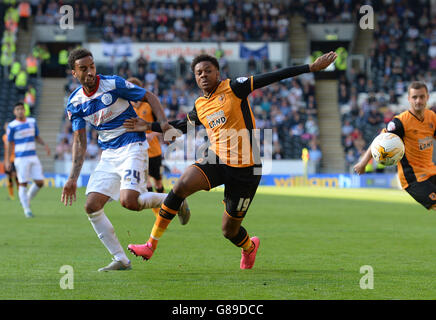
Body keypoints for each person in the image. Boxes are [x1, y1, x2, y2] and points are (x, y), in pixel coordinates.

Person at [124, 51, 337, 269]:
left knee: (229, 230)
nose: (204, 75)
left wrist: (309, 68)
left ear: (218, 73)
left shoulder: (234, 88)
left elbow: (272, 76)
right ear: (195, 78)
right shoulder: (200, 105)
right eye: (199, 73)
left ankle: (249, 248)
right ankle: (151, 244)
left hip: (246, 169)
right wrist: (148, 125)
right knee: (180, 186)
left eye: (208, 71)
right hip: (216, 160)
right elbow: (180, 125)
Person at [60, 48, 190, 272]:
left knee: (129, 201)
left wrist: (165, 125)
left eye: (92, 66)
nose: (90, 71)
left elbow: (149, 96)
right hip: (109, 155)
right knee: (91, 205)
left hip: (132, 145)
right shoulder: (75, 103)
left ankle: (175, 200)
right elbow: (79, 142)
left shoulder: (113, 84)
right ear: (74, 73)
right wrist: (73, 178)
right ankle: (121, 259)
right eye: (83, 68)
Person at [354, 81, 436, 210]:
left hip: (432, 171)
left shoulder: (432, 117)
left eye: (421, 97)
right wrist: (363, 163)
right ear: (408, 99)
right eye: (414, 97)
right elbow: (379, 140)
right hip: (413, 178)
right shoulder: (400, 122)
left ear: (428, 97)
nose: (418, 101)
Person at [127, 77, 165, 217]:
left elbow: (162, 125)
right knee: (146, 182)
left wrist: (152, 135)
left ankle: (165, 208)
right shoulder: (127, 107)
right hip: (139, 151)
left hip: (154, 150)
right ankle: (158, 215)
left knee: (158, 182)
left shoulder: (149, 106)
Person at [5, 102, 50, 217]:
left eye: (21, 109)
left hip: (33, 156)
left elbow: (36, 136)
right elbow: (9, 144)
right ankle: (27, 210)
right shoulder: (12, 125)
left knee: (40, 182)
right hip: (21, 158)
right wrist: (7, 161)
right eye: (17, 109)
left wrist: (44, 144)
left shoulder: (32, 122)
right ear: (14, 112)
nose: (20, 111)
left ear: (24, 110)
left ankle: (26, 199)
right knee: (23, 183)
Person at [2, 122, 18, 200]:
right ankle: (11, 195)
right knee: (9, 177)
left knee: (16, 176)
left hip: (15, 158)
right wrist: (5, 161)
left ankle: (20, 194)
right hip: (8, 160)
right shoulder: (4, 137)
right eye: (6, 126)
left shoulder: (14, 136)